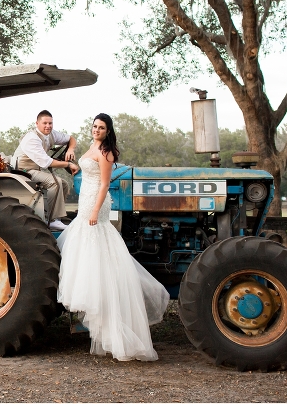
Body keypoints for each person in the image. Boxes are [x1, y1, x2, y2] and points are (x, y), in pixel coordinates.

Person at [57, 113, 170, 360]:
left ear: (108, 131)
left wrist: (96, 210)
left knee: (95, 251)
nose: (96, 130)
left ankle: (106, 315)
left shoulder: (107, 153)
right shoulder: (91, 147)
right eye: (95, 126)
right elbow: (88, 172)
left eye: (101, 127)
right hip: (85, 201)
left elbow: (105, 184)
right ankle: (93, 305)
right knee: (82, 250)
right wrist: (73, 164)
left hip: (95, 204)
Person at [11, 110, 79, 231]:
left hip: (35, 169)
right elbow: (47, 162)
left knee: (64, 184)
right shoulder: (32, 138)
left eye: (50, 123)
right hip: (23, 171)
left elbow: (71, 139)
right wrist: (68, 164)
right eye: (45, 123)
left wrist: (70, 150)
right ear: (37, 123)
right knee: (55, 182)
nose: (48, 126)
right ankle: (52, 220)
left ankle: (58, 217)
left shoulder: (51, 134)